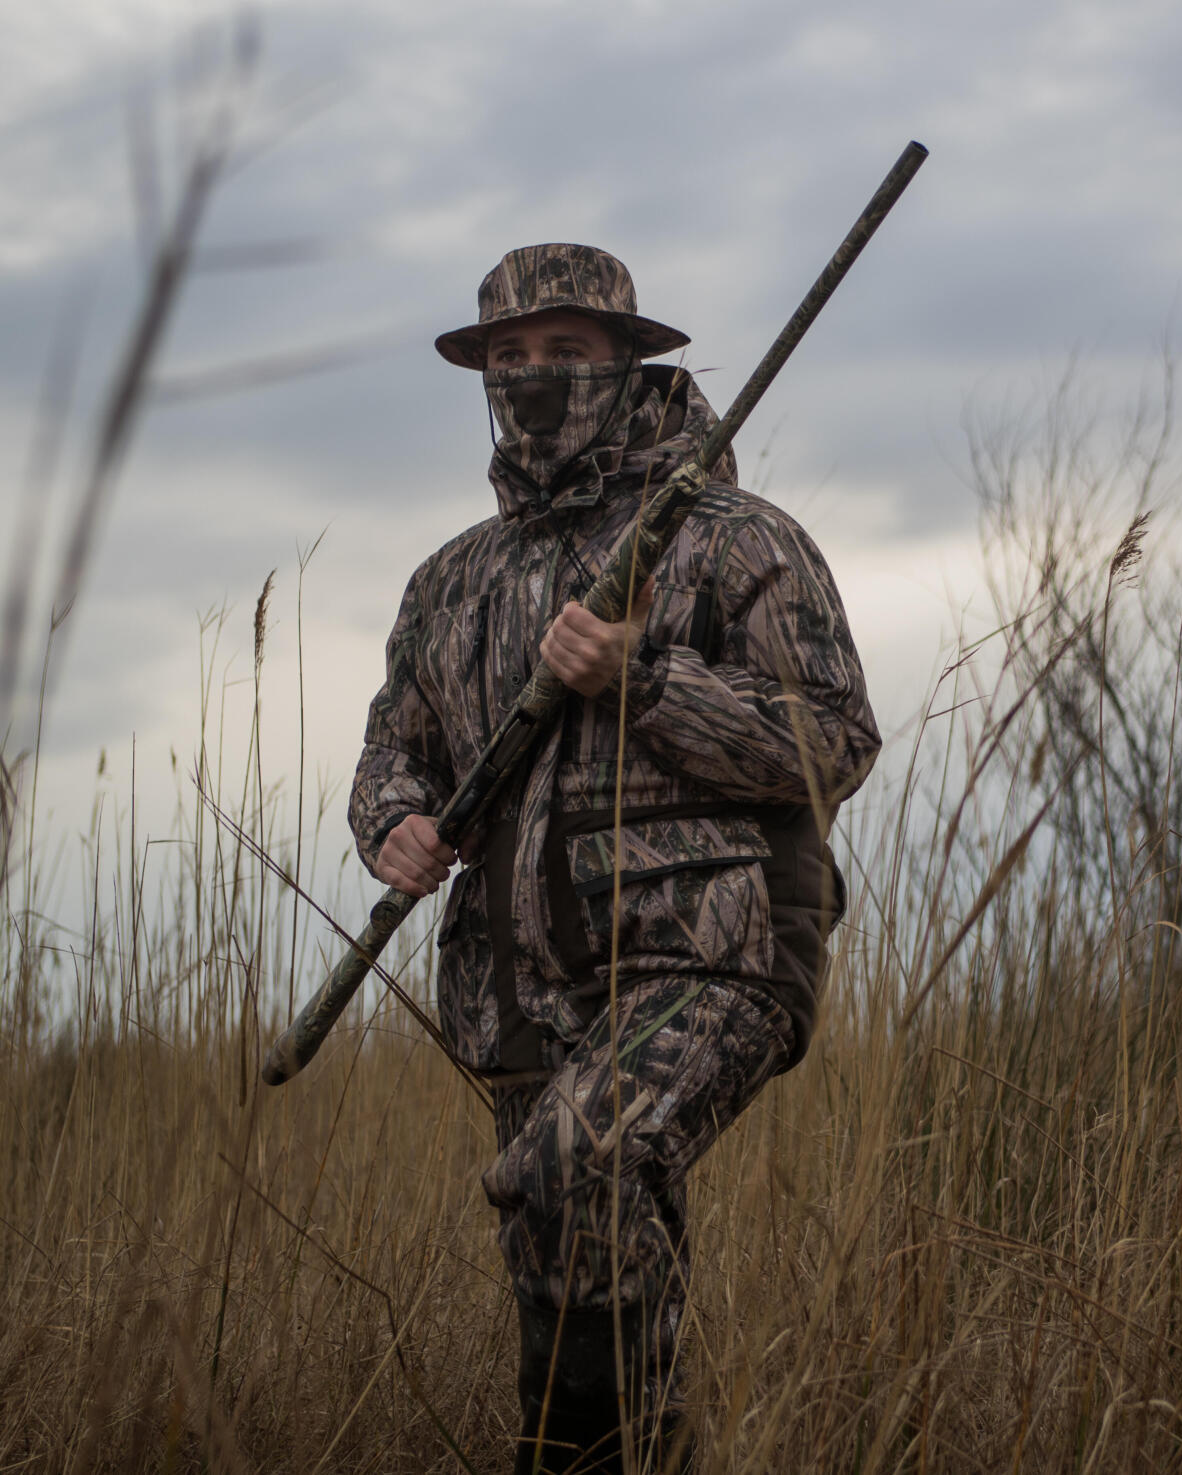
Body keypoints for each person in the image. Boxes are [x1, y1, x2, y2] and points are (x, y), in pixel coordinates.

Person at [347, 243, 880, 1473]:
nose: (535, 378)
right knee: (561, 1225)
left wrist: (647, 674)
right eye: (511, 358)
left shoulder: (737, 538)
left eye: (568, 354)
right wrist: (394, 823)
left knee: (582, 1160)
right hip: (520, 984)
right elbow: (393, 746)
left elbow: (834, 740)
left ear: (630, 365)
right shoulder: (451, 582)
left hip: (715, 949)